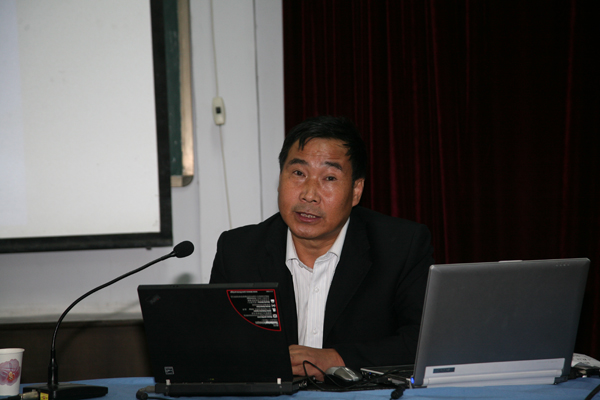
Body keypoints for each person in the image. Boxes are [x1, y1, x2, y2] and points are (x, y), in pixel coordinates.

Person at [210, 116, 434, 379]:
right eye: (298, 173)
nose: (309, 194)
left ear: (356, 190)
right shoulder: (238, 250)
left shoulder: (401, 246)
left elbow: (423, 342)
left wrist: (337, 359)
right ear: (280, 178)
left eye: (329, 177)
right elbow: (215, 344)